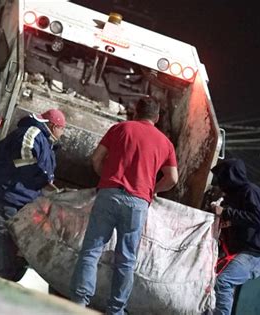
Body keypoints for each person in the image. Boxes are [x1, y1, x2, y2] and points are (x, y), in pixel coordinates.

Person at [69, 97, 179, 315]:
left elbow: (96, 158)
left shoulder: (120, 128)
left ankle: (79, 304)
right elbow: (173, 178)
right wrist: (152, 190)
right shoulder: (165, 143)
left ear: (135, 112)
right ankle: (116, 310)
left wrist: (106, 178)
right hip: (137, 203)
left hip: (109, 195)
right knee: (126, 259)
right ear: (156, 118)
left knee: (91, 250)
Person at [0, 108, 66, 281]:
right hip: (4, 194)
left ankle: (2, 276)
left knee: (11, 240)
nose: (63, 133)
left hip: (12, 196)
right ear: (54, 126)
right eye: (62, 129)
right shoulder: (33, 133)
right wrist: (42, 181)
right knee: (4, 237)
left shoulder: (47, 143)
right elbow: (24, 159)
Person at [210, 158, 260, 315]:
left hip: (257, 254)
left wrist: (225, 212)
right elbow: (238, 221)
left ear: (230, 176)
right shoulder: (232, 197)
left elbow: (256, 219)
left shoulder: (250, 191)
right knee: (210, 279)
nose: (219, 183)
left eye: (222, 178)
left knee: (223, 281)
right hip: (243, 252)